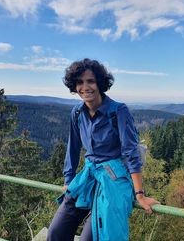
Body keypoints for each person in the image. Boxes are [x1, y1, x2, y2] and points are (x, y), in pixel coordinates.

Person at [47, 58, 159, 241]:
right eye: (80, 82)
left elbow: (131, 154)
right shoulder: (76, 113)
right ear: (74, 86)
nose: (85, 87)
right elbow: (73, 148)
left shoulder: (118, 111)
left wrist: (140, 194)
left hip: (113, 179)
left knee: (91, 237)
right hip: (88, 176)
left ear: (99, 82)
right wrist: (68, 180)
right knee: (56, 233)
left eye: (90, 81)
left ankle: (97, 213)